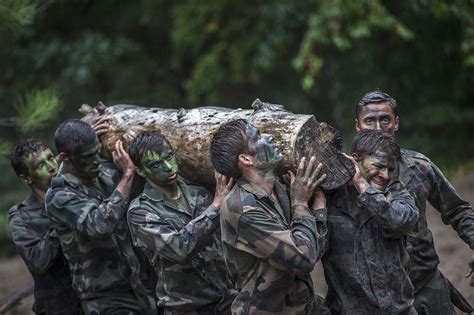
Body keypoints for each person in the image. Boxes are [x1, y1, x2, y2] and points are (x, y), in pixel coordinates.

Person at [355, 90, 474, 314]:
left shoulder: (419, 167)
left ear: (396, 123)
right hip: (373, 298)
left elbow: (457, 210)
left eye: (385, 120)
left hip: (425, 282)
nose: (378, 128)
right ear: (358, 126)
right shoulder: (344, 177)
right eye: (370, 120)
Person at [210, 119, 328, 314]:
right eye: (257, 137)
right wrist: (300, 204)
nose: (270, 136)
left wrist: (319, 210)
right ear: (246, 159)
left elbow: (315, 249)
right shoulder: (240, 207)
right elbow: (303, 259)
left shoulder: (282, 188)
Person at [45, 119, 154, 314]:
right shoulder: (58, 196)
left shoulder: (103, 172)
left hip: (140, 283)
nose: (97, 160)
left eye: (97, 152)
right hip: (105, 298)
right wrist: (127, 175)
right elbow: (100, 225)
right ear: (65, 158)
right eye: (88, 156)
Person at [127, 131, 236, 314]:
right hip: (186, 307)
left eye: (169, 156)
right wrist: (216, 206)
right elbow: (179, 249)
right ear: (140, 170)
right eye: (155, 164)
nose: (169, 167)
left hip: (227, 301)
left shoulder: (199, 192)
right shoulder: (140, 211)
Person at [322, 129, 418, 314]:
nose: (386, 175)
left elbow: (398, 222)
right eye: (379, 166)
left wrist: (362, 185)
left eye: (390, 169)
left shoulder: (398, 194)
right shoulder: (329, 199)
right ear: (356, 159)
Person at [9, 139, 82, 315]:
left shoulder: (79, 193)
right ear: (25, 178)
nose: (52, 167)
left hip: (97, 300)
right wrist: (59, 215)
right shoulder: (21, 216)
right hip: (60, 308)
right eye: (40, 165)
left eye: (51, 158)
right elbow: (38, 261)